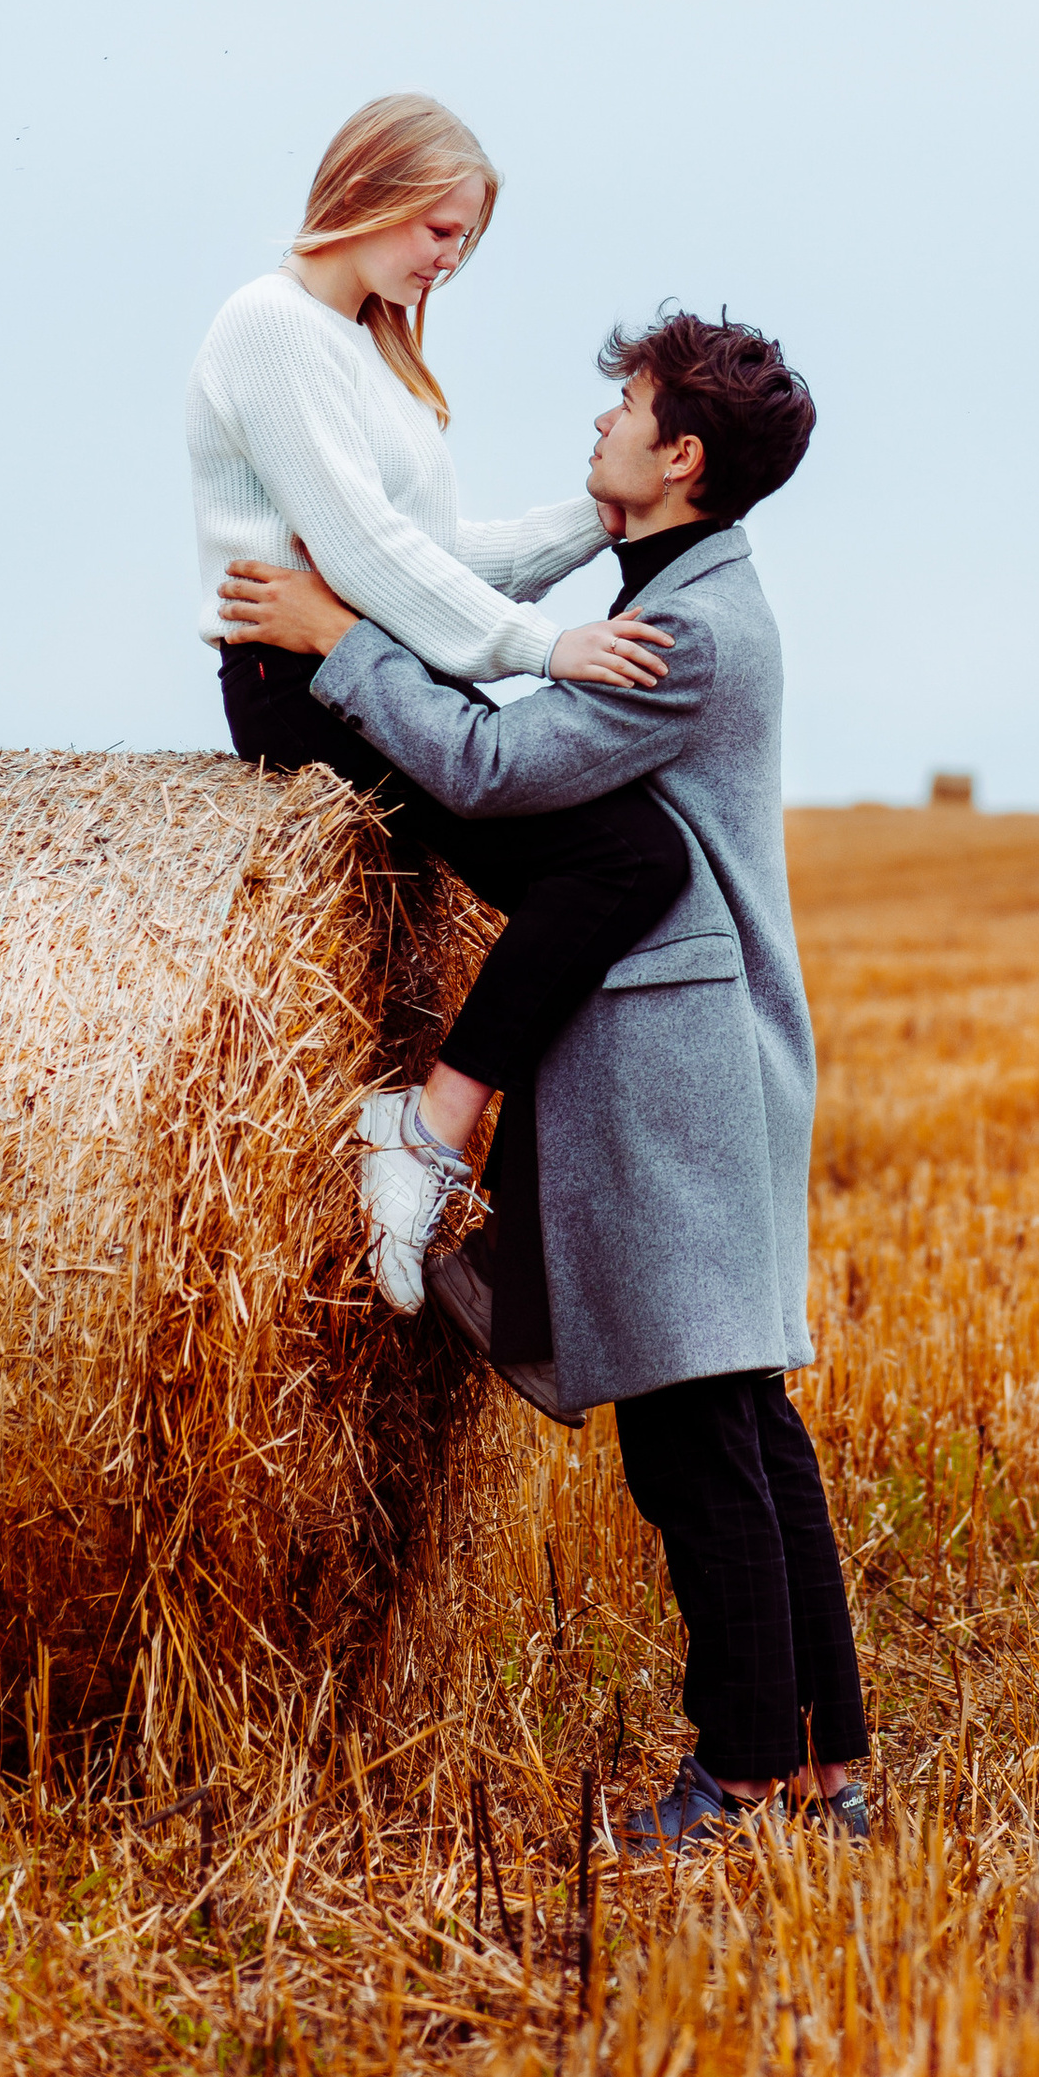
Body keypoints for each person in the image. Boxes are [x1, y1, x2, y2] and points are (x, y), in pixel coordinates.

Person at [217, 313, 869, 1851]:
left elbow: (502, 772)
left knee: (695, 1435)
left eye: (624, 410)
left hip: (676, 1055)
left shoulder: (690, 626)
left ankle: (745, 1778)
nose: (599, 431)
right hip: (698, 1048)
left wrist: (335, 644)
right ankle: (827, 1771)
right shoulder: (683, 586)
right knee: (744, 1422)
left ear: (681, 455)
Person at [190, 95, 690, 1311]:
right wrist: (544, 648)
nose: (447, 262)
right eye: (442, 231)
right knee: (621, 863)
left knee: (619, 868)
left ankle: (466, 1148)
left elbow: (434, 556)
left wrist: (598, 515)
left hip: (374, 665)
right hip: (304, 683)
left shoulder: (360, 348)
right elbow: (361, 558)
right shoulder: (271, 326)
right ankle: (424, 1130)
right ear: (374, 188)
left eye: (463, 243)